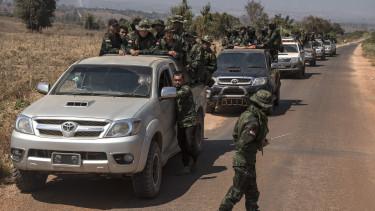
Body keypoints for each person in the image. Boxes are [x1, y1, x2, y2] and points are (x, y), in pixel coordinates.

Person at [219, 90, 272, 211]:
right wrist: (259, 143)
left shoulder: (247, 114)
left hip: (247, 161)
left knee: (252, 192)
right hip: (244, 162)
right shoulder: (253, 121)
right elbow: (243, 144)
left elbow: (236, 135)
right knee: (236, 192)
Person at [173, 72, 199, 175]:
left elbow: (177, 95)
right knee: (181, 143)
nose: (177, 82)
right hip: (180, 122)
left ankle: (190, 162)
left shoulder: (186, 89)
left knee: (189, 143)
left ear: (183, 80)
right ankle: (188, 162)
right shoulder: (174, 89)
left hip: (189, 121)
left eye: (179, 80)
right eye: (176, 80)